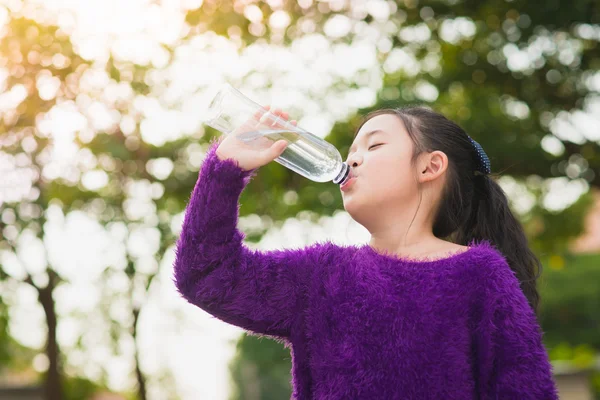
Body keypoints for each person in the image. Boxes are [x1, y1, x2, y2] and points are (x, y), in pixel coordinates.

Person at [173, 105, 559, 399]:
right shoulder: (321, 276)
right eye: (351, 149)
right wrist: (223, 171)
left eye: (373, 145)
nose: (351, 158)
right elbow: (206, 276)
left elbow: (525, 389)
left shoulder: (481, 274)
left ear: (430, 166)